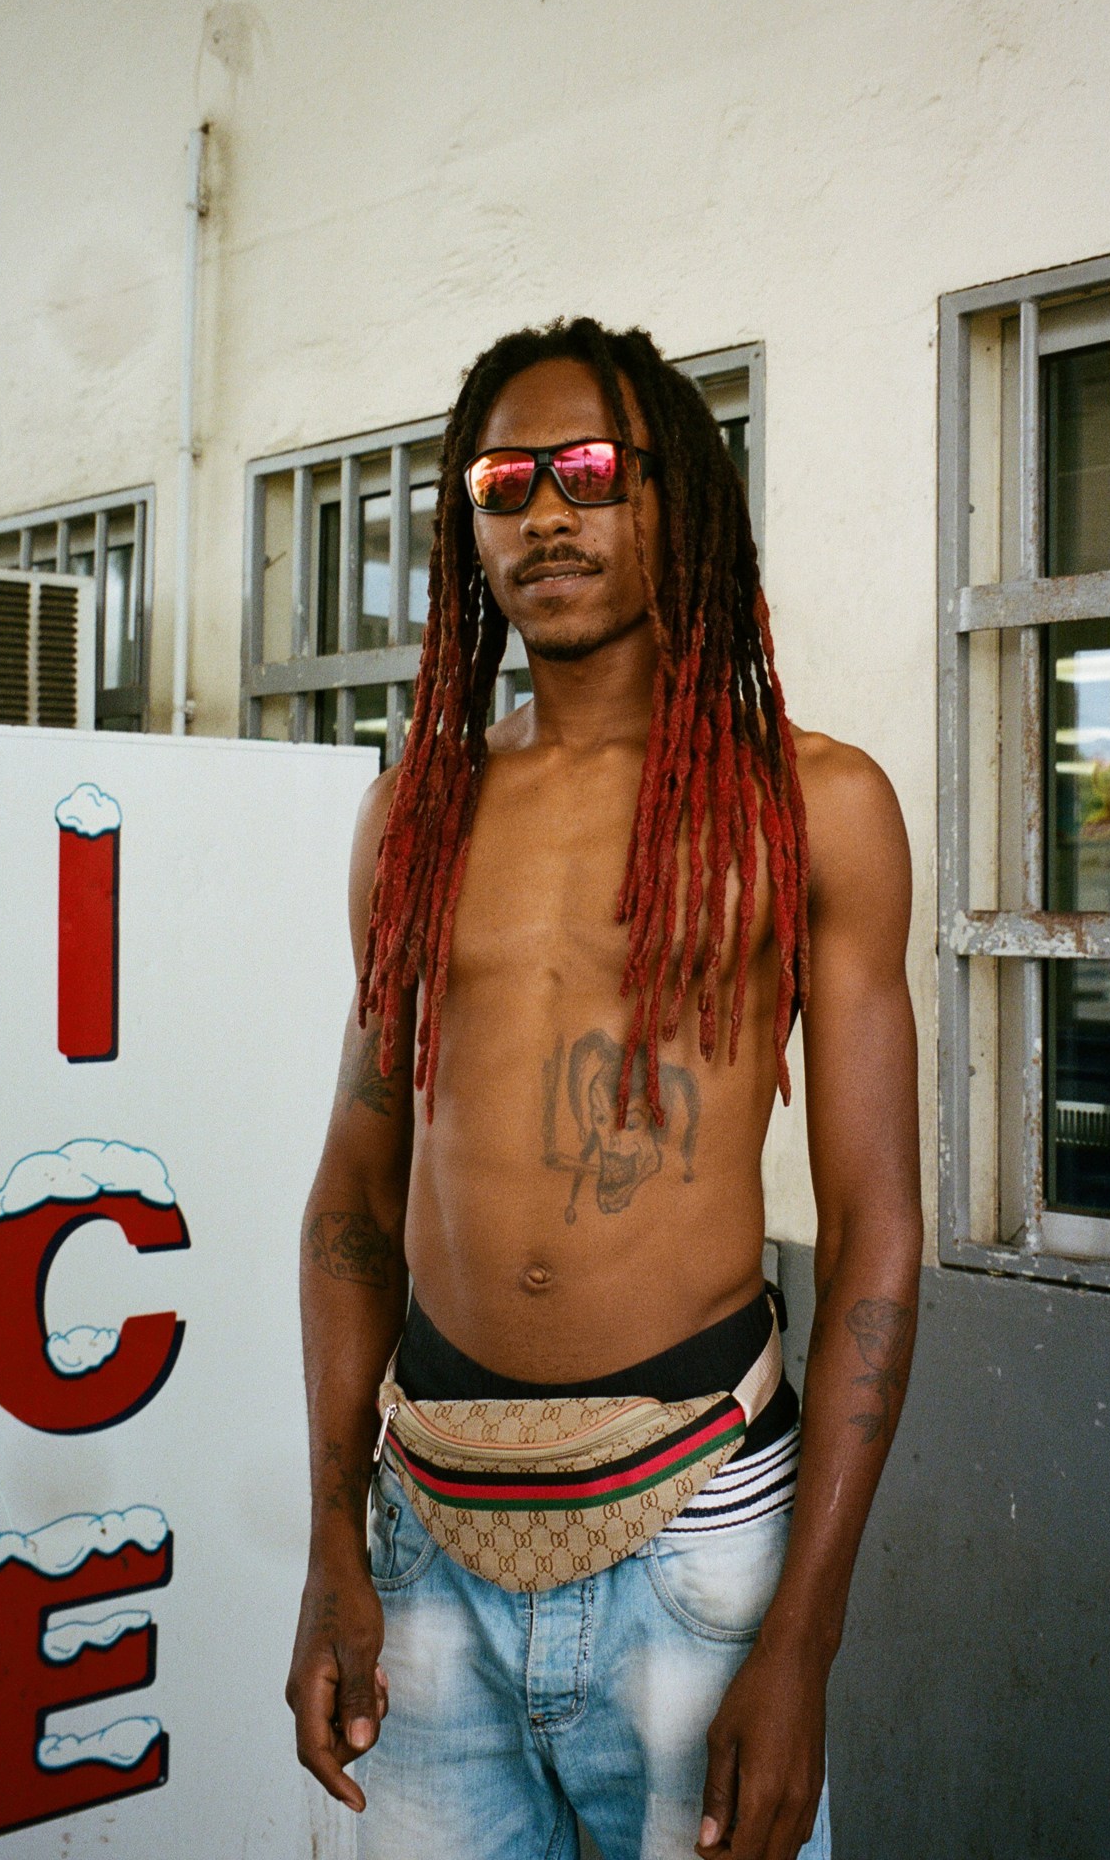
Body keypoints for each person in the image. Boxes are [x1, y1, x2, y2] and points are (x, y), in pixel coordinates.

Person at [286, 317, 922, 1860]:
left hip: (698, 1530)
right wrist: (328, 1544)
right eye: (505, 482)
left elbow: (877, 1236)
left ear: (673, 503)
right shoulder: (412, 819)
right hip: (426, 1524)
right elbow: (356, 1196)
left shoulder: (809, 806)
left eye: (588, 471)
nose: (545, 513)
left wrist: (804, 1639)